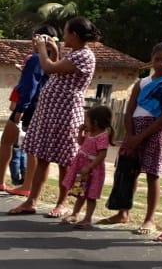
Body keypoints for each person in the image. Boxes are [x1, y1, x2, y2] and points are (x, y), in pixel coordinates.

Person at [9, 17, 100, 218]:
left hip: (66, 114)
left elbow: (49, 68)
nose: (63, 36)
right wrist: (53, 50)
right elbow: (59, 70)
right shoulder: (75, 53)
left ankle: (62, 202)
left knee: (65, 160)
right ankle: (31, 201)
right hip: (50, 113)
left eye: (66, 32)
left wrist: (42, 48)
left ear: (74, 35)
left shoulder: (85, 56)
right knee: (42, 157)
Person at [100, 41, 162, 233]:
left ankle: (149, 219)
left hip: (155, 131)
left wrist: (141, 137)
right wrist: (130, 135)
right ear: (151, 59)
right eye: (157, 59)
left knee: (153, 175)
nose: (161, 63)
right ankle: (122, 212)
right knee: (129, 171)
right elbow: (129, 111)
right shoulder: (142, 83)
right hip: (134, 130)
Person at [0, 25, 59, 195]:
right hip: (40, 105)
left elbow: (31, 85)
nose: (33, 41)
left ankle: (22, 185)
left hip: (29, 106)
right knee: (26, 145)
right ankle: (10, 183)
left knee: (21, 145)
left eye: (36, 37)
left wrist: (21, 108)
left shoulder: (36, 58)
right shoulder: (52, 61)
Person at [61, 105, 112, 228]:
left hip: (93, 170)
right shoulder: (89, 133)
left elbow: (102, 155)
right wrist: (80, 132)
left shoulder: (102, 136)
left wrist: (90, 167)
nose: (85, 123)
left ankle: (88, 218)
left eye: (86, 121)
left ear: (95, 122)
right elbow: (80, 142)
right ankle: (75, 214)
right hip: (82, 166)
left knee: (90, 195)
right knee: (80, 192)